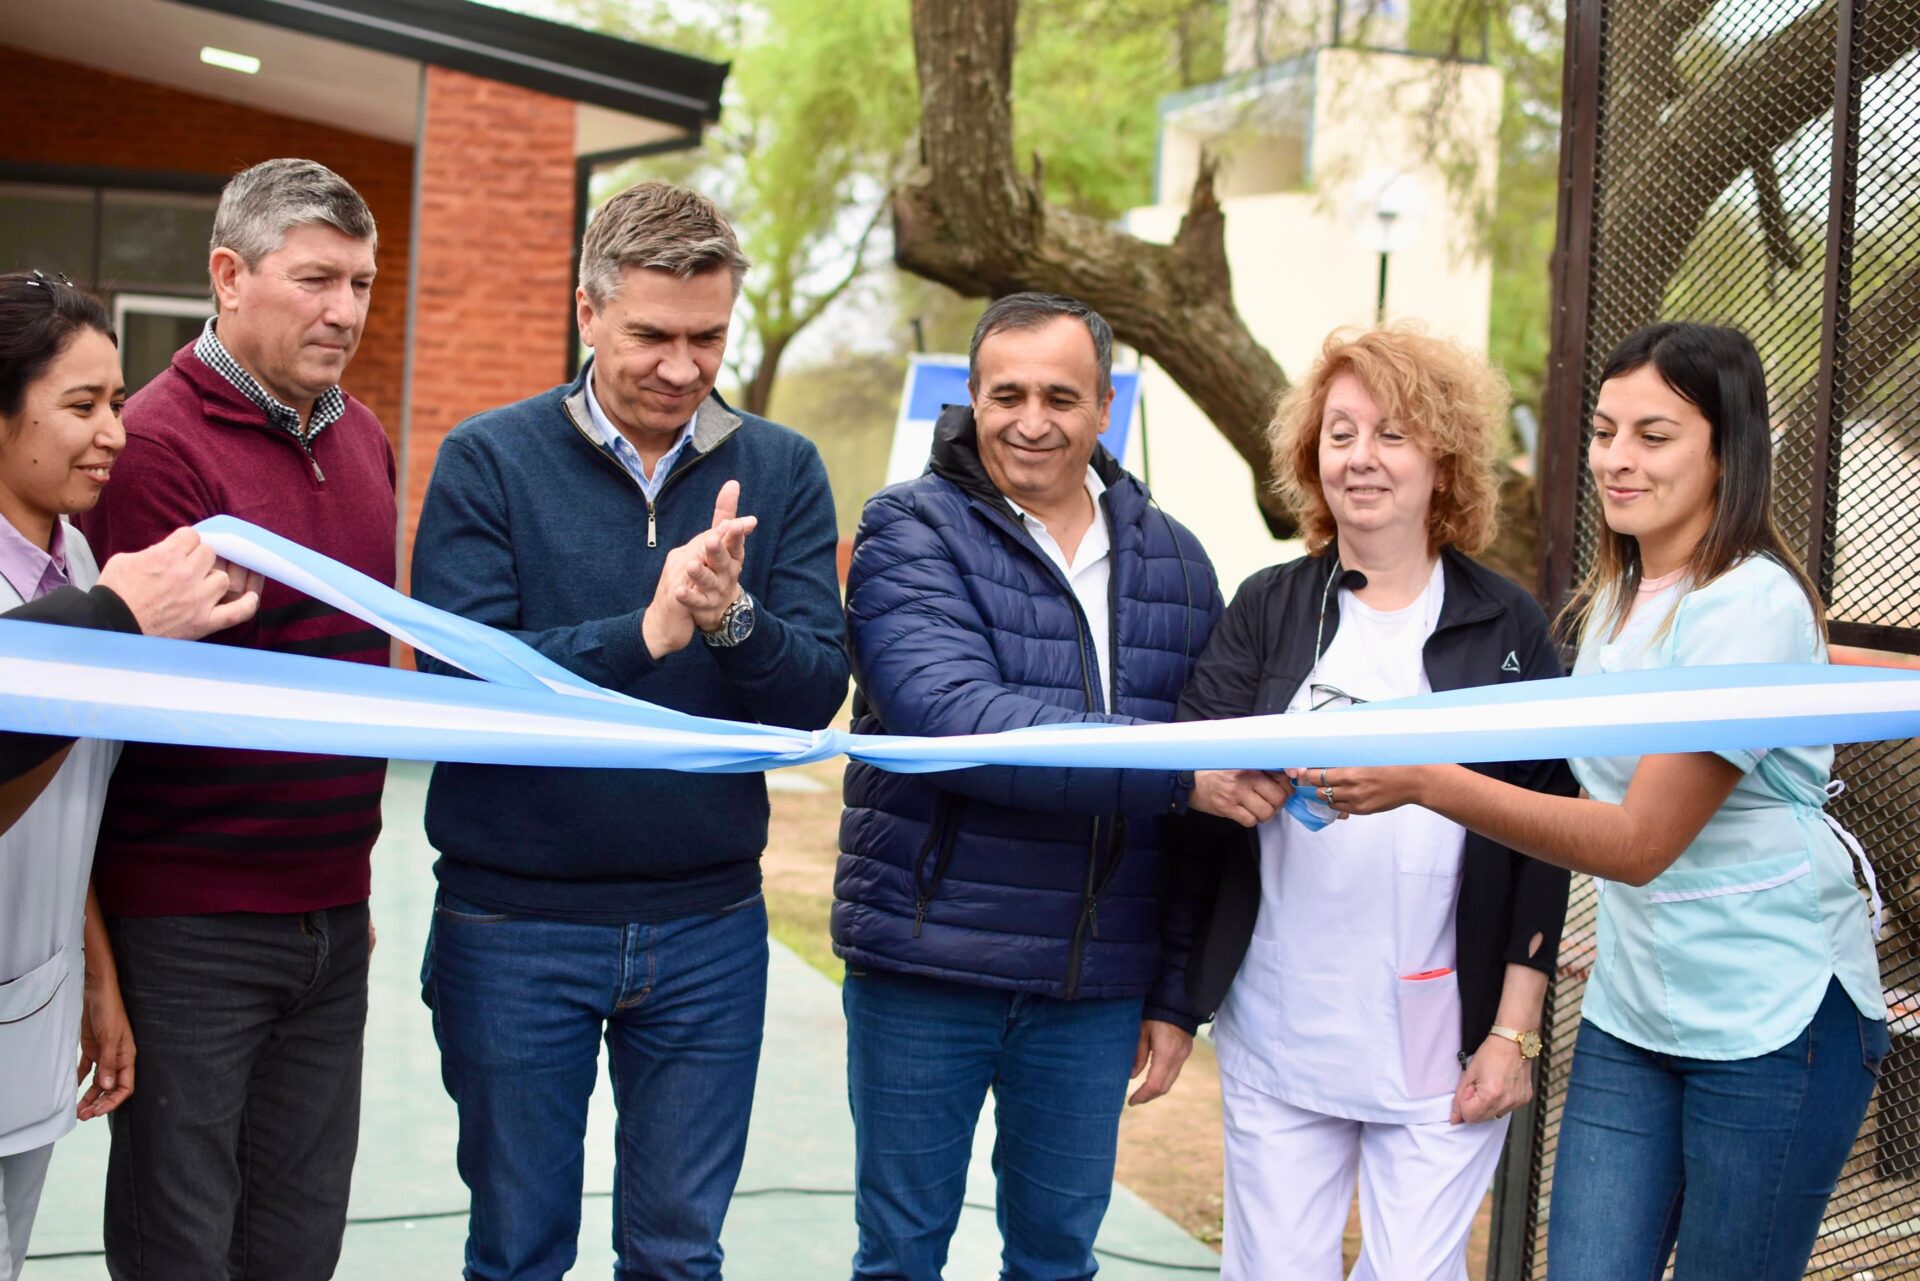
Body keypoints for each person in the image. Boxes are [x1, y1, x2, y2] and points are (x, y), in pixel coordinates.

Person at [1313, 322, 1888, 1281]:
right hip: (1637, 1008)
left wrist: (1426, 781)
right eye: (1607, 430)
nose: (1617, 460)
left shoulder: (1748, 599)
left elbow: (1638, 841)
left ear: (1727, 451)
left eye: (1654, 436)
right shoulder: (1617, 598)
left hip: (1773, 1018)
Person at [409, 180, 847, 1280]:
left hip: (707, 925)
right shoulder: (487, 460)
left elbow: (814, 690)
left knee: (677, 1251)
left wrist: (730, 620)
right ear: (587, 313)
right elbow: (458, 682)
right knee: (516, 1250)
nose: (683, 366)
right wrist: (647, 632)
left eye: (708, 338)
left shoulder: (782, 469)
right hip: (514, 925)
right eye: (652, 334)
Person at [835, 291, 1224, 1281]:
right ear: (970, 398)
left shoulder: (1177, 562)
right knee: (900, 1254)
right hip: (928, 963)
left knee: (1057, 1258)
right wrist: (1179, 776)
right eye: (1006, 394)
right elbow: (955, 718)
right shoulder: (906, 529)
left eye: (1061, 395)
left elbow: (1207, 816)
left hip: (1091, 987)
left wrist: (1175, 993)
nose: (1032, 420)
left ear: (1106, 406)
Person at [1173, 327, 1575, 1281]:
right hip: (1285, 1022)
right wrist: (1220, 784)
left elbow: (1542, 829)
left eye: (1392, 434)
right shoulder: (1271, 603)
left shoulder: (1503, 621)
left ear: (1443, 459)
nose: (1361, 458)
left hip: (1445, 1035)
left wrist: (1514, 1030)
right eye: (1340, 433)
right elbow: (1188, 761)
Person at [73, 159, 397, 1280]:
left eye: (361, 283)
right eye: (316, 280)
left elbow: (351, 672)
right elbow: (143, 700)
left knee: (298, 1240)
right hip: (188, 924)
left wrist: (339, 878)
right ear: (228, 274)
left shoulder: (365, 439)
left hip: (329, 913)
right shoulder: (154, 447)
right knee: (183, 1244)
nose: (346, 311)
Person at [0, 270, 259, 1281]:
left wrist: (97, 979)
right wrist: (112, 625)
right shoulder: (102, 601)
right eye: (80, 406)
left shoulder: (75, 558)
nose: (116, 431)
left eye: (117, 401)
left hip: (31, 1000)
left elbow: (64, 806)